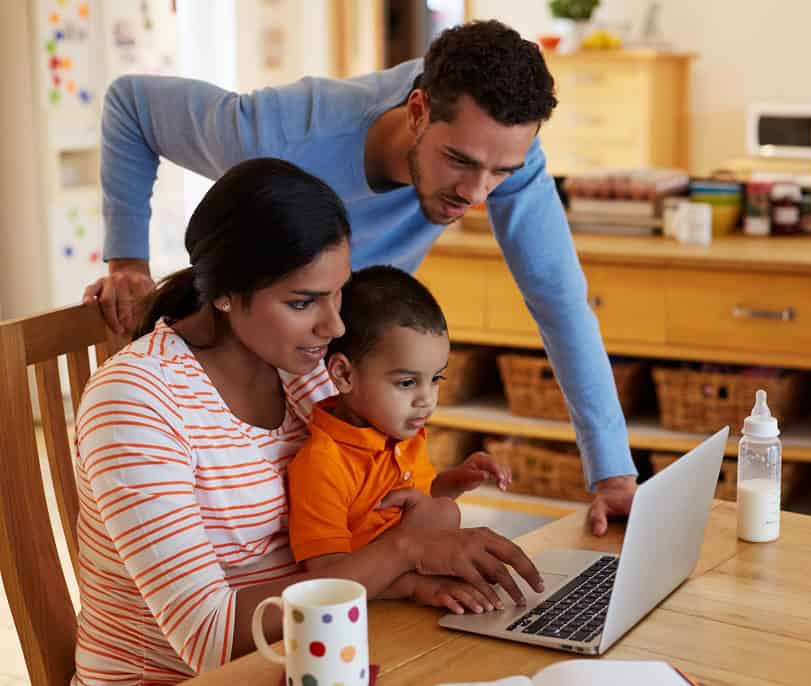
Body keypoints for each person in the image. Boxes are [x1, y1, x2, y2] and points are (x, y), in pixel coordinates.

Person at [84, 19, 638, 535]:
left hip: (332, 368)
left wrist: (612, 474)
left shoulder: (498, 146)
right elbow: (131, 104)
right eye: (459, 161)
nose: (476, 194)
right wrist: (127, 260)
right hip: (255, 367)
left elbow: (560, 301)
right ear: (417, 111)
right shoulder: (276, 133)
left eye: (501, 172)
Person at [72, 158, 543, 684]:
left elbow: (352, 519)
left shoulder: (306, 371)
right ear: (224, 294)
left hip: (317, 655)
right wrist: (406, 547)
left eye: (338, 291)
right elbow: (209, 639)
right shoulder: (135, 402)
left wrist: (416, 547)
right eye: (303, 302)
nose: (335, 324)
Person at [288, 265, 517, 615]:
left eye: (436, 379)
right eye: (407, 383)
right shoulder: (321, 464)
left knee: (445, 511)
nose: (427, 399)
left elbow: (409, 509)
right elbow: (327, 578)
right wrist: (417, 586)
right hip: (367, 612)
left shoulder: (401, 437)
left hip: (415, 594)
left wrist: (453, 481)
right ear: (344, 374)